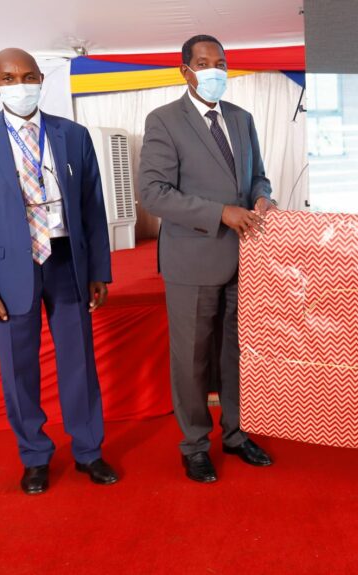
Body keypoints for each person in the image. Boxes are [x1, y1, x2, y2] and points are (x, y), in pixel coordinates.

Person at [0, 48, 119, 495]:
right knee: (18, 369)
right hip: (10, 271)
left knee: (79, 362)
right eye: (8, 78)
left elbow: (92, 207)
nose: (20, 84)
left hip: (66, 262)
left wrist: (99, 269)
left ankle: (88, 450)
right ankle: (34, 456)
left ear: (42, 79)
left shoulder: (73, 135)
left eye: (28, 76)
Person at [139, 35, 275, 483]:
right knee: (193, 357)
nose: (214, 70)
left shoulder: (242, 118)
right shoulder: (164, 121)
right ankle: (194, 444)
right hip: (192, 260)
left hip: (247, 259)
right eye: (203, 63)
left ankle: (236, 433)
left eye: (220, 62)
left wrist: (262, 198)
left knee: (239, 354)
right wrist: (219, 213)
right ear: (186, 71)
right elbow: (154, 194)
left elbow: (257, 176)